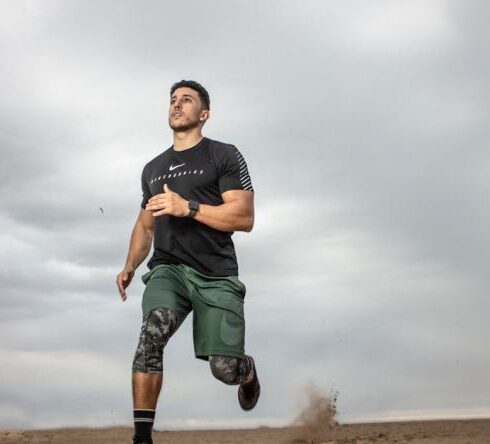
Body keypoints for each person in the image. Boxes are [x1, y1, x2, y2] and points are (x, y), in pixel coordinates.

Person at [116, 80, 260, 444]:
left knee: (223, 369)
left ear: (204, 114)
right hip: (169, 270)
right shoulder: (153, 168)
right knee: (151, 334)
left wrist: (189, 208)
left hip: (216, 274)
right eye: (173, 100)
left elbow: (243, 217)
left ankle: (247, 371)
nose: (177, 105)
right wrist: (131, 264)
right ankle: (142, 438)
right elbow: (145, 224)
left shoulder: (223, 155)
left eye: (187, 100)